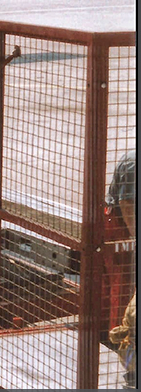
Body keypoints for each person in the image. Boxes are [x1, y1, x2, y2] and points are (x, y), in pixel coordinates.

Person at [106, 150, 136, 389]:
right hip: (121, 224)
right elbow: (127, 204)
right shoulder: (133, 164)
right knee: (123, 287)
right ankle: (123, 349)